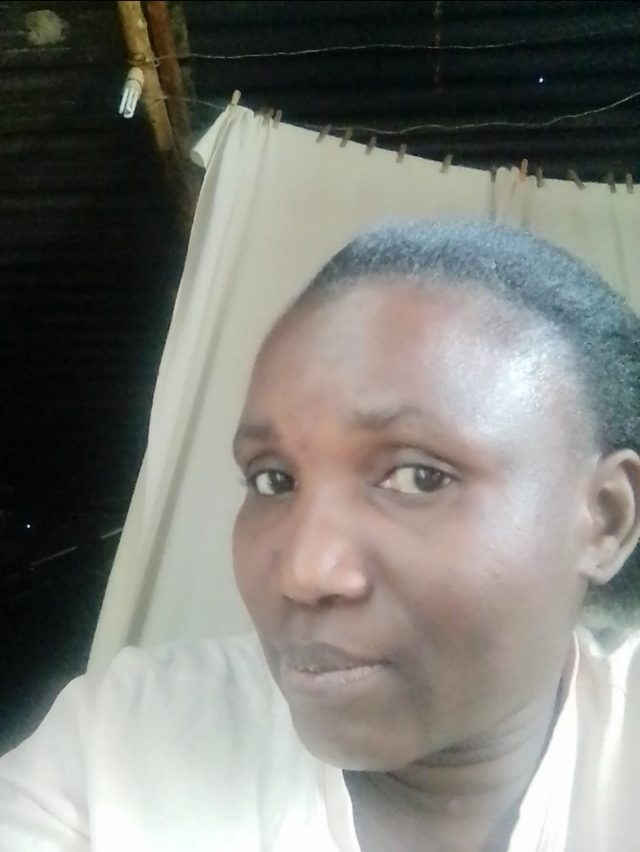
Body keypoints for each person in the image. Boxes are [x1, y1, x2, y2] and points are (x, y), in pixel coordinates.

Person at [1, 220, 639, 852]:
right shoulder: (117, 751)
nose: (303, 573)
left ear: (605, 520)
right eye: (273, 480)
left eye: (418, 477)